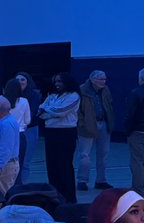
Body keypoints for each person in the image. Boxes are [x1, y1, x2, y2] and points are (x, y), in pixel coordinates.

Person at [38, 72, 81, 203]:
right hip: (51, 133)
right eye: (56, 81)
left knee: (64, 165)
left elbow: (61, 112)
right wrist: (50, 112)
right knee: (52, 166)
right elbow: (40, 111)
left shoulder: (74, 96)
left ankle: (69, 197)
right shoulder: (51, 96)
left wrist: (48, 111)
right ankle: (55, 196)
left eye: (60, 81)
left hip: (66, 133)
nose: (57, 84)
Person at [77, 70, 115, 191]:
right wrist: (82, 124)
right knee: (85, 155)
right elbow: (77, 110)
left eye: (104, 79)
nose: (104, 81)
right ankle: (82, 180)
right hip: (87, 125)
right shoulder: (82, 90)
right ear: (93, 80)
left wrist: (110, 122)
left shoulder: (105, 90)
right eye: (101, 79)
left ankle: (101, 180)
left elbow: (109, 104)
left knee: (103, 153)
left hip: (103, 123)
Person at [15, 72, 43, 184]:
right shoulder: (11, 94)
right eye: (17, 80)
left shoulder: (34, 95)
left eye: (23, 79)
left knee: (25, 160)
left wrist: (21, 123)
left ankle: (23, 184)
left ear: (27, 81)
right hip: (14, 130)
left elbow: (32, 113)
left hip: (29, 129)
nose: (20, 82)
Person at [125, 69, 144, 194]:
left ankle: (139, 189)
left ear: (141, 78)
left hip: (138, 131)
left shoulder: (136, 93)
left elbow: (130, 114)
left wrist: (128, 130)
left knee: (137, 160)